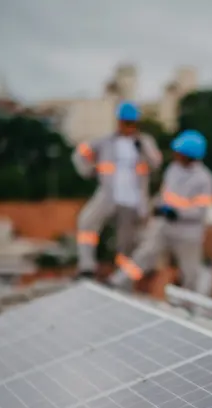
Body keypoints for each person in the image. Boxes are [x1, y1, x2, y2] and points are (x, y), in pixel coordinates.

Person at [108, 129, 212, 292]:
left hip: (188, 233)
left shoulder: (204, 179)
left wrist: (177, 213)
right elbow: (164, 194)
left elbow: (200, 211)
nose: (175, 155)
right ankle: (117, 282)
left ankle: (190, 305)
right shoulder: (172, 170)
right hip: (164, 226)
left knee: (190, 271)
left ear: (189, 155)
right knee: (145, 254)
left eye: (179, 152)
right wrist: (155, 208)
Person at [72, 100, 163, 279]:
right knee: (86, 222)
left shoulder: (144, 142)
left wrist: (142, 148)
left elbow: (156, 163)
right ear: (119, 122)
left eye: (131, 123)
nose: (128, 127)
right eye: (125, 122)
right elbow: (80, 153)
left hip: (133, 199)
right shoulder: (106, 141)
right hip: (108, 194)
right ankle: (87, 266)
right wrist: (89, 170)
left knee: (126, 243)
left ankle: (121, 279)